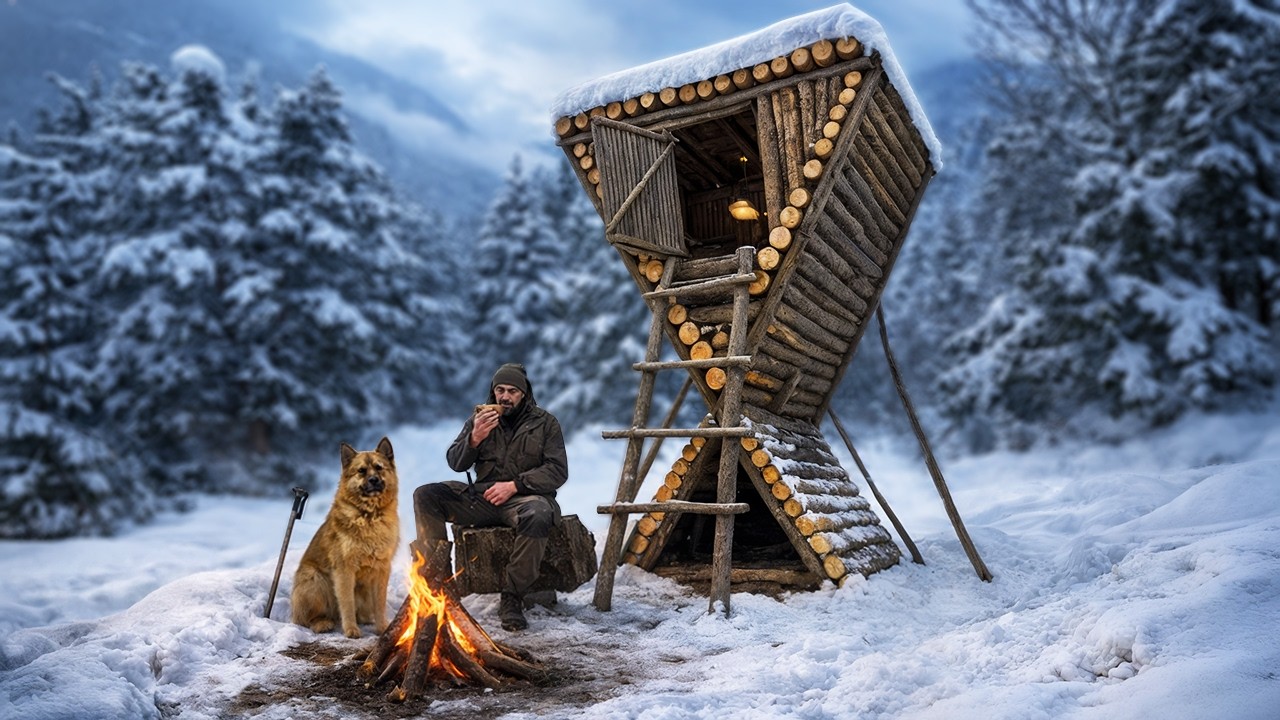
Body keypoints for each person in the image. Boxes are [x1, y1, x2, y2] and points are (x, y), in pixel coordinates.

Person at [413, 363, 569, 631]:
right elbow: (455, 462)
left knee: (539, 514)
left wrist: (515, 485)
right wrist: (473, 439)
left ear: (524, 393)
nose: (505, 397)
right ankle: (440, 582)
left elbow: (557, 470)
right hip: (481, 498)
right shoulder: (480, 418)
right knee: (427, 495)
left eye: (512, 391)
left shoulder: (545, 423)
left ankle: (512, 597)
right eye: (499, 390)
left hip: (524, 498)